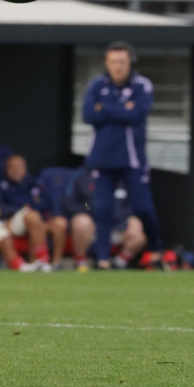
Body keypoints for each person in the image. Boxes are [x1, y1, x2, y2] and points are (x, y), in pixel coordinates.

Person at [81, 41, 167, 270]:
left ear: (130, 63)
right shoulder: (96, 85)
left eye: (122, 62)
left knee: (142, 207)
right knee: (101, 208)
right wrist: (121, 108)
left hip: (132, 159)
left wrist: (105, 108)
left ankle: (157, 251)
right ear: (106, 63)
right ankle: (102, 259)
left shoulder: (142, 85)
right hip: (102, 159)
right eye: (113, 62)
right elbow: (88, 115)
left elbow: (136, 115)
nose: (118, 67)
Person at [0, 154, 53, 268]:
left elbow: (46, 202)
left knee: (43, 221)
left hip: (31, 220)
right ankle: (43, 261)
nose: (17, 170)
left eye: (20, 166)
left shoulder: (33, 182)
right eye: (13, 167)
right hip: (8, 220)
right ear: (7, 169)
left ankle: (41, 263)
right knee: (33, 216)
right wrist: (23, 206)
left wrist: (28, 206)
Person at [47, 168, 97, 270]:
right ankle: (81, 261)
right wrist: (90, 210)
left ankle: (118, 261)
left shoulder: (117, 176)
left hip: (113, 219)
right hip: (87, 215)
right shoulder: (80, 176)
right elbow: (83, 203)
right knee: (83, 222)